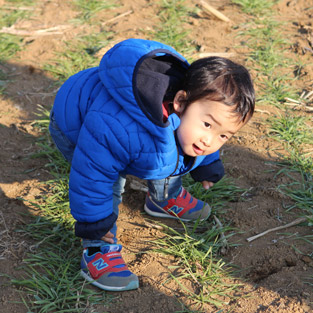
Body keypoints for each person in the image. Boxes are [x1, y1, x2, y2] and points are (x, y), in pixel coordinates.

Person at [49, 38, 255, 292]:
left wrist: (206, 163)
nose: (210, 140)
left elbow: (193, 144)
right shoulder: (118, 128)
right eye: (208, 125)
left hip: (142, 133)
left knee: (173, 149)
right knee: (112, 182)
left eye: (224, 135)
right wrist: (94, 222)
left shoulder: (193, 114)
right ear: (180, 102)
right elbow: (92, 175)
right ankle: (97, 249)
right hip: (75, 124)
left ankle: (163, 196)